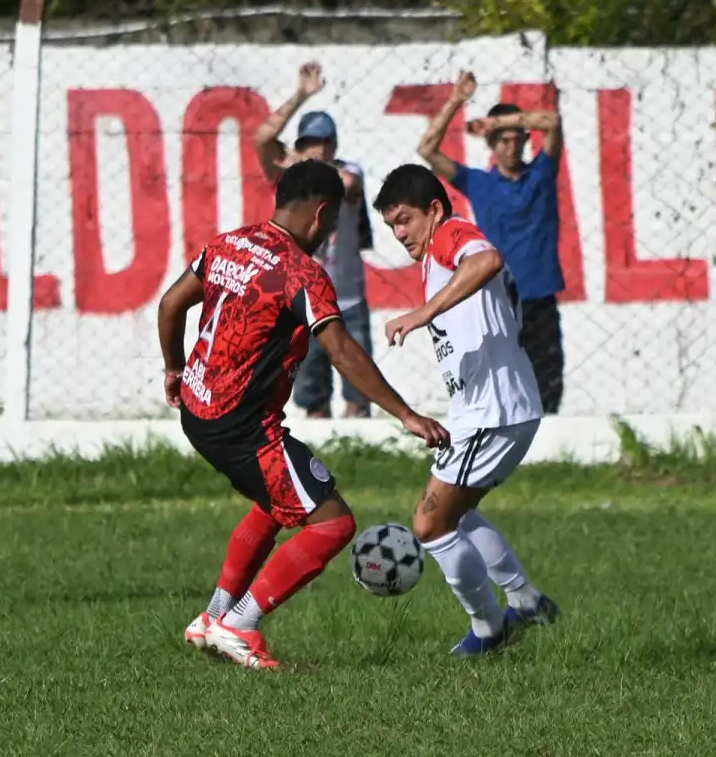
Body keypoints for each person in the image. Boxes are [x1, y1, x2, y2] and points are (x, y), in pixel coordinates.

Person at [158, 159, 448, 670]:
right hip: (242, 427)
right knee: (333, 524)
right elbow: (341, 351)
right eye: (333, 222)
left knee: (277, 502)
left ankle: (212, 616)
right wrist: (405, 414)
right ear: (321, 215)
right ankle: (240, 624)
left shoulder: (227, 243)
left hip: (198, 411)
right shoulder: (300, 273)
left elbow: (169, 304)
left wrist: (174, 370)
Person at [374, 163, 558, 655]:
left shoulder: (451, 233)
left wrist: (422, 312)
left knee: (430, 525)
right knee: (461, 513)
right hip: (493, 411)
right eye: (391, 225)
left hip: (492, 414)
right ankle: (527, 600)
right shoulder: (436, 254)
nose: (399, 233)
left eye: (405, 219)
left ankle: (488, 631)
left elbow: (487, 260)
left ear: (433, 209)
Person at [418, 71, 566, 414]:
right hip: (498, 297)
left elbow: (553, 122)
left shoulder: (542, 172)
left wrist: (500, 120)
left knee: (548, 378)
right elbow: (427, 149)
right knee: (502, 379)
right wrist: (456, 100)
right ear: (492, 145)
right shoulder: (478, 183)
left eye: (517, 139)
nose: (511, 146)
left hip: (539, 294)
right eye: (503, 139)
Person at [254, 62, 375, 420]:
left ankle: (362, 451)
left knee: (360, 392)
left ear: (335, 144)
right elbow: (262, 140)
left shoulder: (349, 171)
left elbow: (350, 185)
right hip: (304, 300)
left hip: (347, 299)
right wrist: (300, 96)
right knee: (311, 396)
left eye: (324, 142)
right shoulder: (292, 177)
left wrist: (305, 163)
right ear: (300, 144)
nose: (318, 149)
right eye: (310, 143)